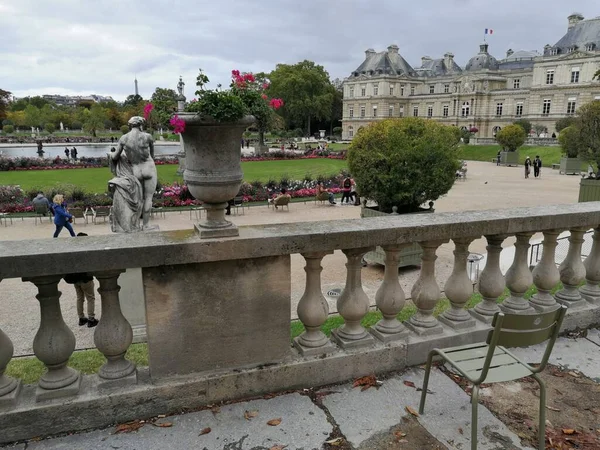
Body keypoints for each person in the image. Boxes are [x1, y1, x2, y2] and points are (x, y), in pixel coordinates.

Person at [111, 116, 157, 229]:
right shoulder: (147, 137)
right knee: (148, 198)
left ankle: (134, 224)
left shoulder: (124, 138)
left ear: (130, 125)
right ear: (141, 125)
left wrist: (110, 154)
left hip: (135, 170)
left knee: (138, 199)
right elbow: (152, 155)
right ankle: (146, 225)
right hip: (149, 168)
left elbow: (115, 156)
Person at [64, 233, 98, 328]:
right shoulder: (86, 251)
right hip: (86, 279)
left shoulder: (72, 251)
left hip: (75, 279)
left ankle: (81, 318)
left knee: (80, 298)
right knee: (90, 298)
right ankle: (91, 319)